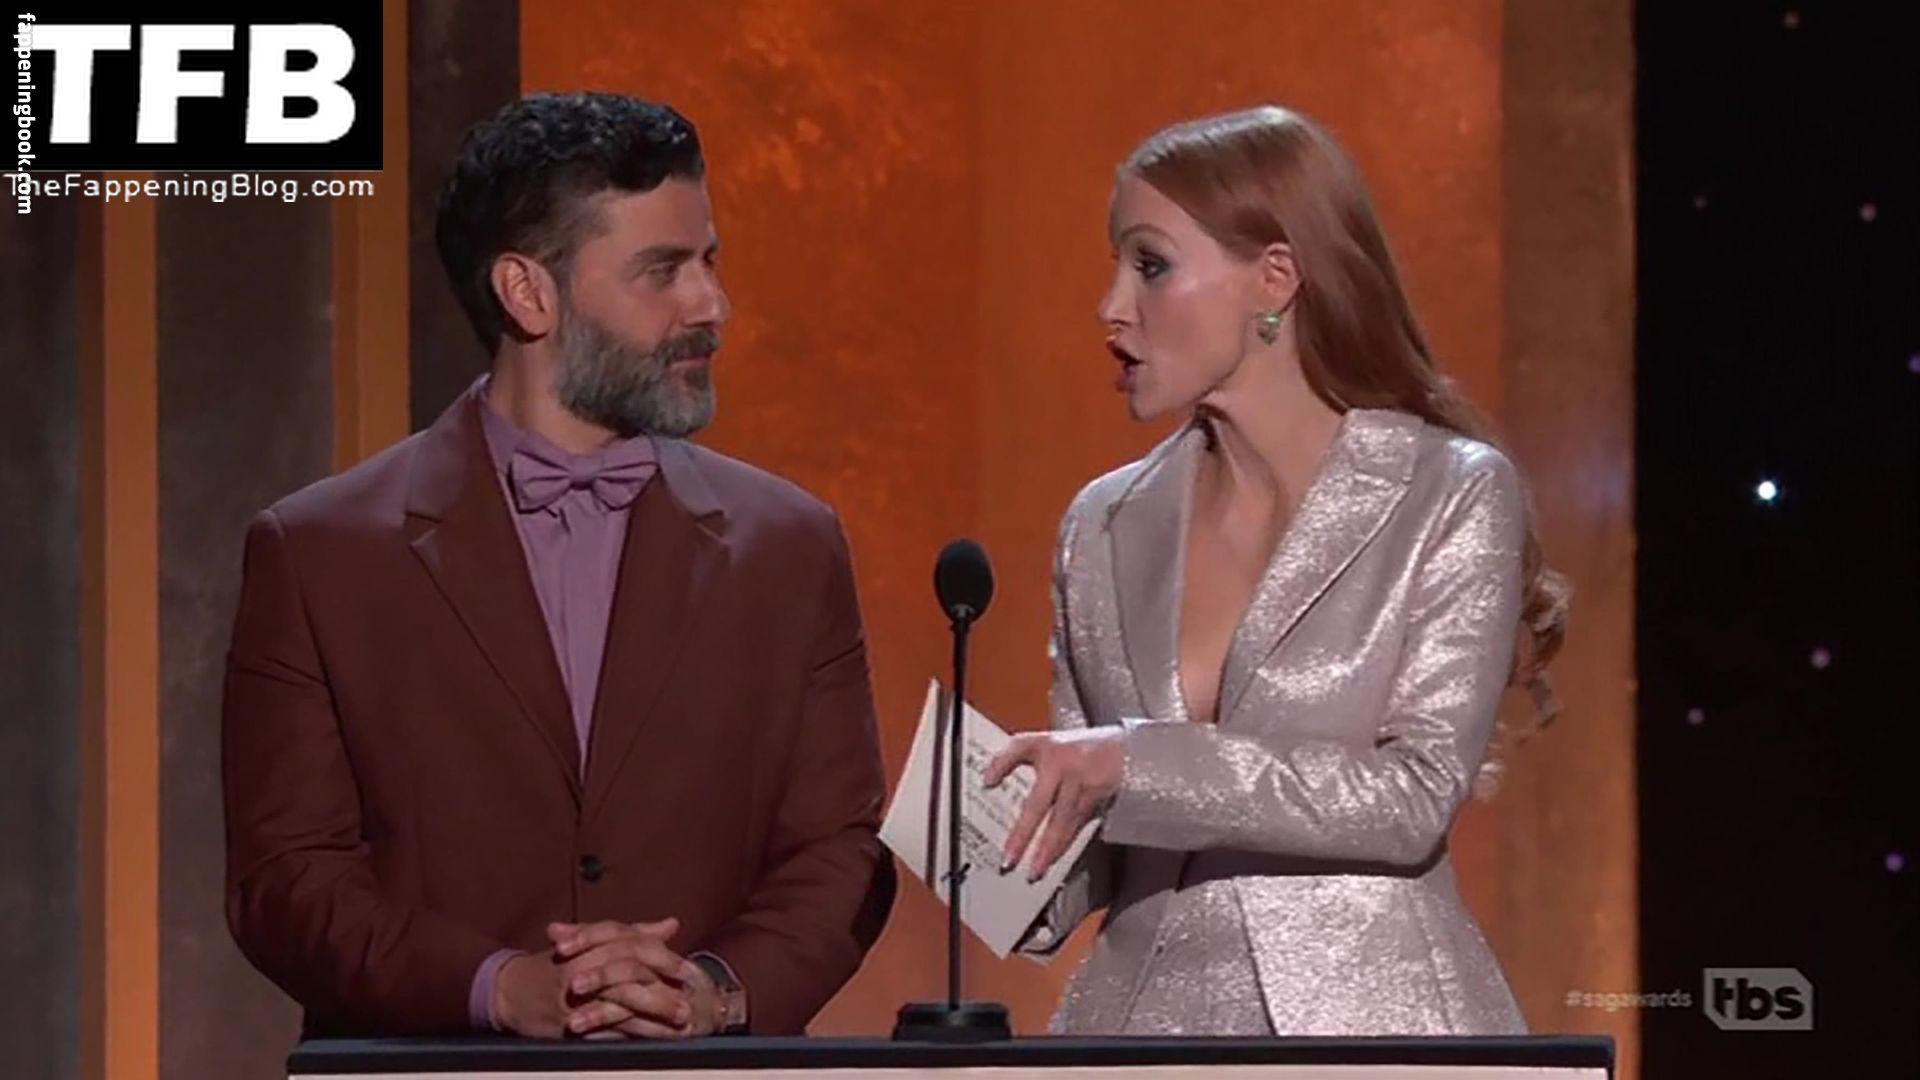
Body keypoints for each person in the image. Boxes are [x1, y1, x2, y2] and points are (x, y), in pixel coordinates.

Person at [222, 91, 893, 1041]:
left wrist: (713, 992)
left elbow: (838, 852)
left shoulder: (789, 545)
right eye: (663, 270)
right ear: (528, 293)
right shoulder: (319, 552)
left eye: (708, 262)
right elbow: (285, 882)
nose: (712, 305)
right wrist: (493, 988)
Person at [985, 105, 1570, 1036]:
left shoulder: (1447, 491)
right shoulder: (1101, 525)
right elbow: (1104, 839)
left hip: (1375, 1037)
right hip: (1142, 1039)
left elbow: (1413, 796)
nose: (1111, 306)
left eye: (1149, 265)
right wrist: (996, 845)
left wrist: (1134, 762)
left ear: (1275, 280)